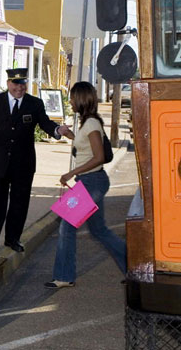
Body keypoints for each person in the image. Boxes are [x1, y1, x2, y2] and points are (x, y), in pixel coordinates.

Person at [0, 68, 70, 252]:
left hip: (23, 164)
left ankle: (13, 239)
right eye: (16, 84)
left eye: (23, 84)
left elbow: (45, 123)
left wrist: (58, 130)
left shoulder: (34, 103)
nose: (19, 88)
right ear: (8, 83)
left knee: (19, 203)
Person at [46, 81, 126, 289]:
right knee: (99, 231)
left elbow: (98, 157)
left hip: (92, 182)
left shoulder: (90, 123)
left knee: (66, 225)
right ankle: (134, 269)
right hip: (91, 181)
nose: (70, 101)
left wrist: (71, 172)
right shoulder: (87, 123)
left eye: (72, 97)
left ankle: (64, 276)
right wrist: (70, 135)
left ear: (81, 99)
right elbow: (87, 149)